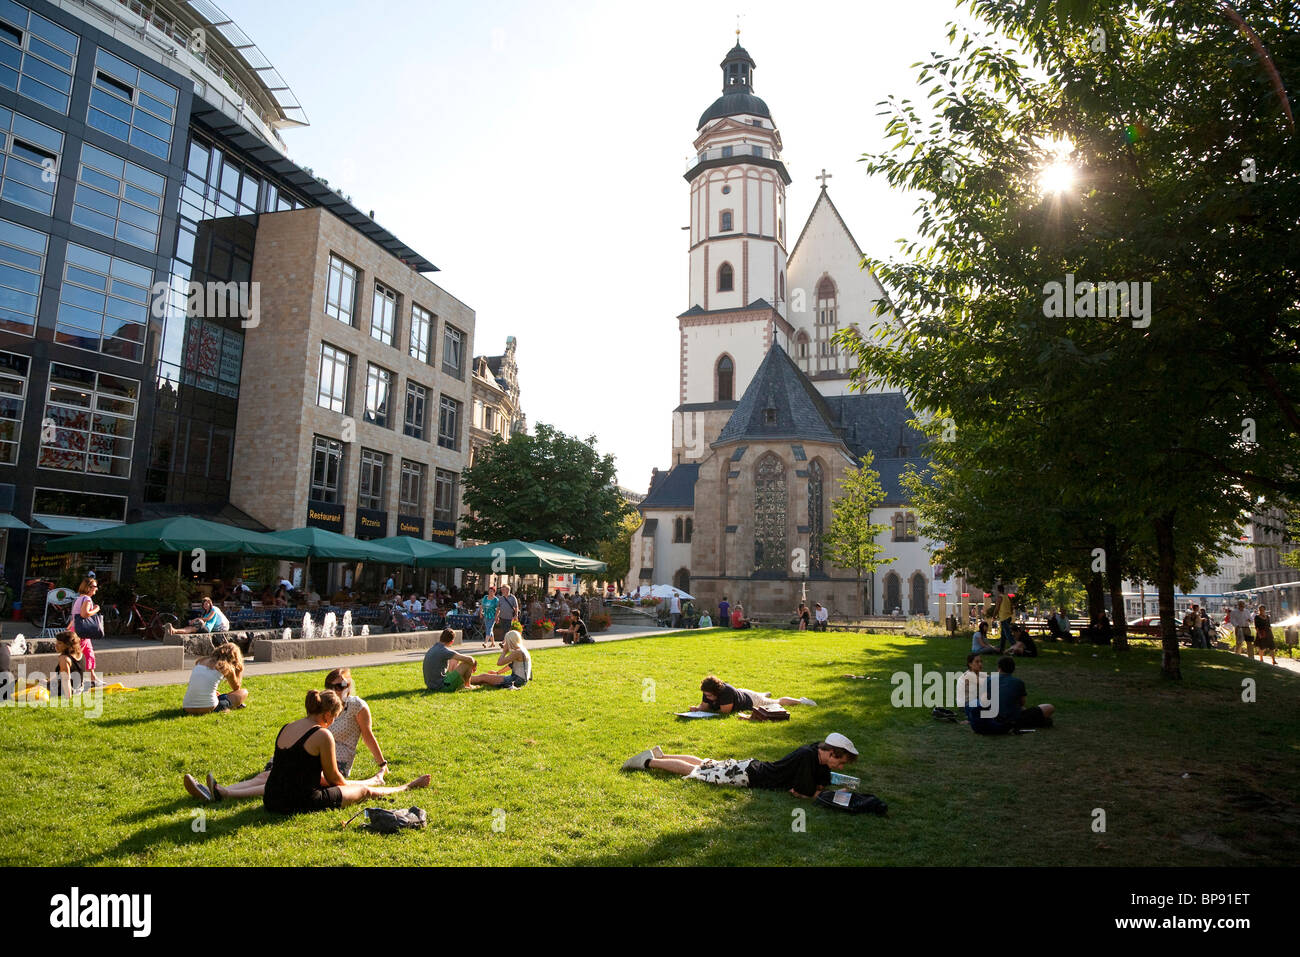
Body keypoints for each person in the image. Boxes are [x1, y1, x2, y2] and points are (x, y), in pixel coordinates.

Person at [183, 668, 390, 802]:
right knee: (266, 775)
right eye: (331, 686)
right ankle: (218, 789)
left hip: (337, 762)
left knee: (280, 781)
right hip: (311, 756)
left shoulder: (357, 706)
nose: (335, 689)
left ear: (348, 686)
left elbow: (368, 735)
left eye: (340, 685)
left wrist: (382, 764)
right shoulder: (323, 707)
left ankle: (224, 793)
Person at [259, 690, 429, 814]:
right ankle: (405, 787)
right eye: (334, 718)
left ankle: (375, 781)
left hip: (272, 798)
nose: (333, 722)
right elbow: (334, 778)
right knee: (364, 792)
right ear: (327, 715)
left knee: (346, 785)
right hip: (300, 802)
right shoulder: (322, 734)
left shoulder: (287, 727)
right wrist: (357, 787)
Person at [623, 732, 859, 800]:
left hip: (751, 767)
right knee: (699, 772)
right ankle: (648, 761)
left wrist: (823, 787)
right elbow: (800, 791)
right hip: (748, 777)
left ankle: (660, 755)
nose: (839, 766)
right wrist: (821, 793)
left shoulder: (815, 754)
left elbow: (821, 779)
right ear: (831, 752)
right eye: (839, 760)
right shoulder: (808, 757)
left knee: (708, 763)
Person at [692, 675, 816, 714]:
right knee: (760, 695)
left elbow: (725, 712)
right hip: (742, 692)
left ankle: (801, 701)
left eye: (709, 695)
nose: (707, 697)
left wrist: (706, 711)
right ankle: (764, 694)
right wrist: (697, 709)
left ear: (716, 691)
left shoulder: (726, 692)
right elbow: (704, 705)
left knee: (776, 702)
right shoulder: (707, 691)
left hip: (751, 700)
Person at [182, 642, 248, 714]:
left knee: (217, 694)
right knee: (243, 692)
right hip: (209, 707)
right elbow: (236, 688)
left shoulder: (201, 661)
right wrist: (239, 670)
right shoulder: (226, 667)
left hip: (187, 707)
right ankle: (228, 705)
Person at [993, 656, 1055, 730]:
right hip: (1014, 718)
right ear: (1013, 669)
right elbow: (1022, 703)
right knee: (1049, 707)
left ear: (999, 668)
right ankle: (1038, 721)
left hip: (995, 718)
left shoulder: (989, 680)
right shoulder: (1018, 682)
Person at [68, 577, 103, 687]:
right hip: (81, 632)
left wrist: (68, 628)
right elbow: (84, 614)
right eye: (95, 587)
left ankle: (93, 679)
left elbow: (75, 616)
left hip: (79, 630)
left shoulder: (79, 598)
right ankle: (73, 680)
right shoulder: (87, 599)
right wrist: (96, 609)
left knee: (89, 653)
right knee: (76, 656)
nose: (96, 589)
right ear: (89, 588)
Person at [423, 627, 477, 692]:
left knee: (455, 659)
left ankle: (463, 685)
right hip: (441, 686)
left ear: (441, 637)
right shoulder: (444, 651)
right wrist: (474, 665)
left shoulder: (434, 648)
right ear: (452, 642)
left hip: (431, 685)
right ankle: (468, 685)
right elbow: (470, 660)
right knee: (467, 663)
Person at [165, 596, 230, 637]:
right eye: (204, 604)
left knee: (197, 623)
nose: (205, 605)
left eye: (207, 603)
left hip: (214, 628)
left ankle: (174, 630)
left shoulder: (214, 609)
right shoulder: (205, 613)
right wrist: (193, 622)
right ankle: (174, 630)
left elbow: (207, 619)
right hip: (208, 628)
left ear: (210, 603)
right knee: (190, 627)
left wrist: (196, 620)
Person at [52, 630, 86, 698]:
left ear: (67, 645)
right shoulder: (80, 654)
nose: (56, 645)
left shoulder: (64, 659)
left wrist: (68, 698)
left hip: (66, 691)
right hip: (79, 689)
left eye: (59, 643)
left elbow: (66, 679)